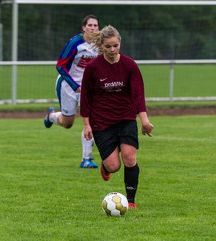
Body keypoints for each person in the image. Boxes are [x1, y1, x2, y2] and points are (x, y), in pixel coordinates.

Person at [80, 25, 154, 209]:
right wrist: (86, 124)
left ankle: (130, 200)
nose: (112, 50)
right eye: (108, 46)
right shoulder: (93, 68)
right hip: (102, 122)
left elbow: (138, 94)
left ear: (120, 43)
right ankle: (106, 167)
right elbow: (86, 97)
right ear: (101, 46)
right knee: (114, 166)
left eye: (115, 45)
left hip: (126, 118)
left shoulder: (129, 65)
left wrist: (144, 120)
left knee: (129, 157)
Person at [44, 15, 100, 169]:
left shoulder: (100, 44)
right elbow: (60, 66)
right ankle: (51, 116)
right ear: (84, 27)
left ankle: (86, 159)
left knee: (91, 119)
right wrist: (74, 85)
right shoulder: (75, 43)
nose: (93, 28)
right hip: (68, 85)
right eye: (90, 25)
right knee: (67, 123)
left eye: (96, 25)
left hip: (87, 88)